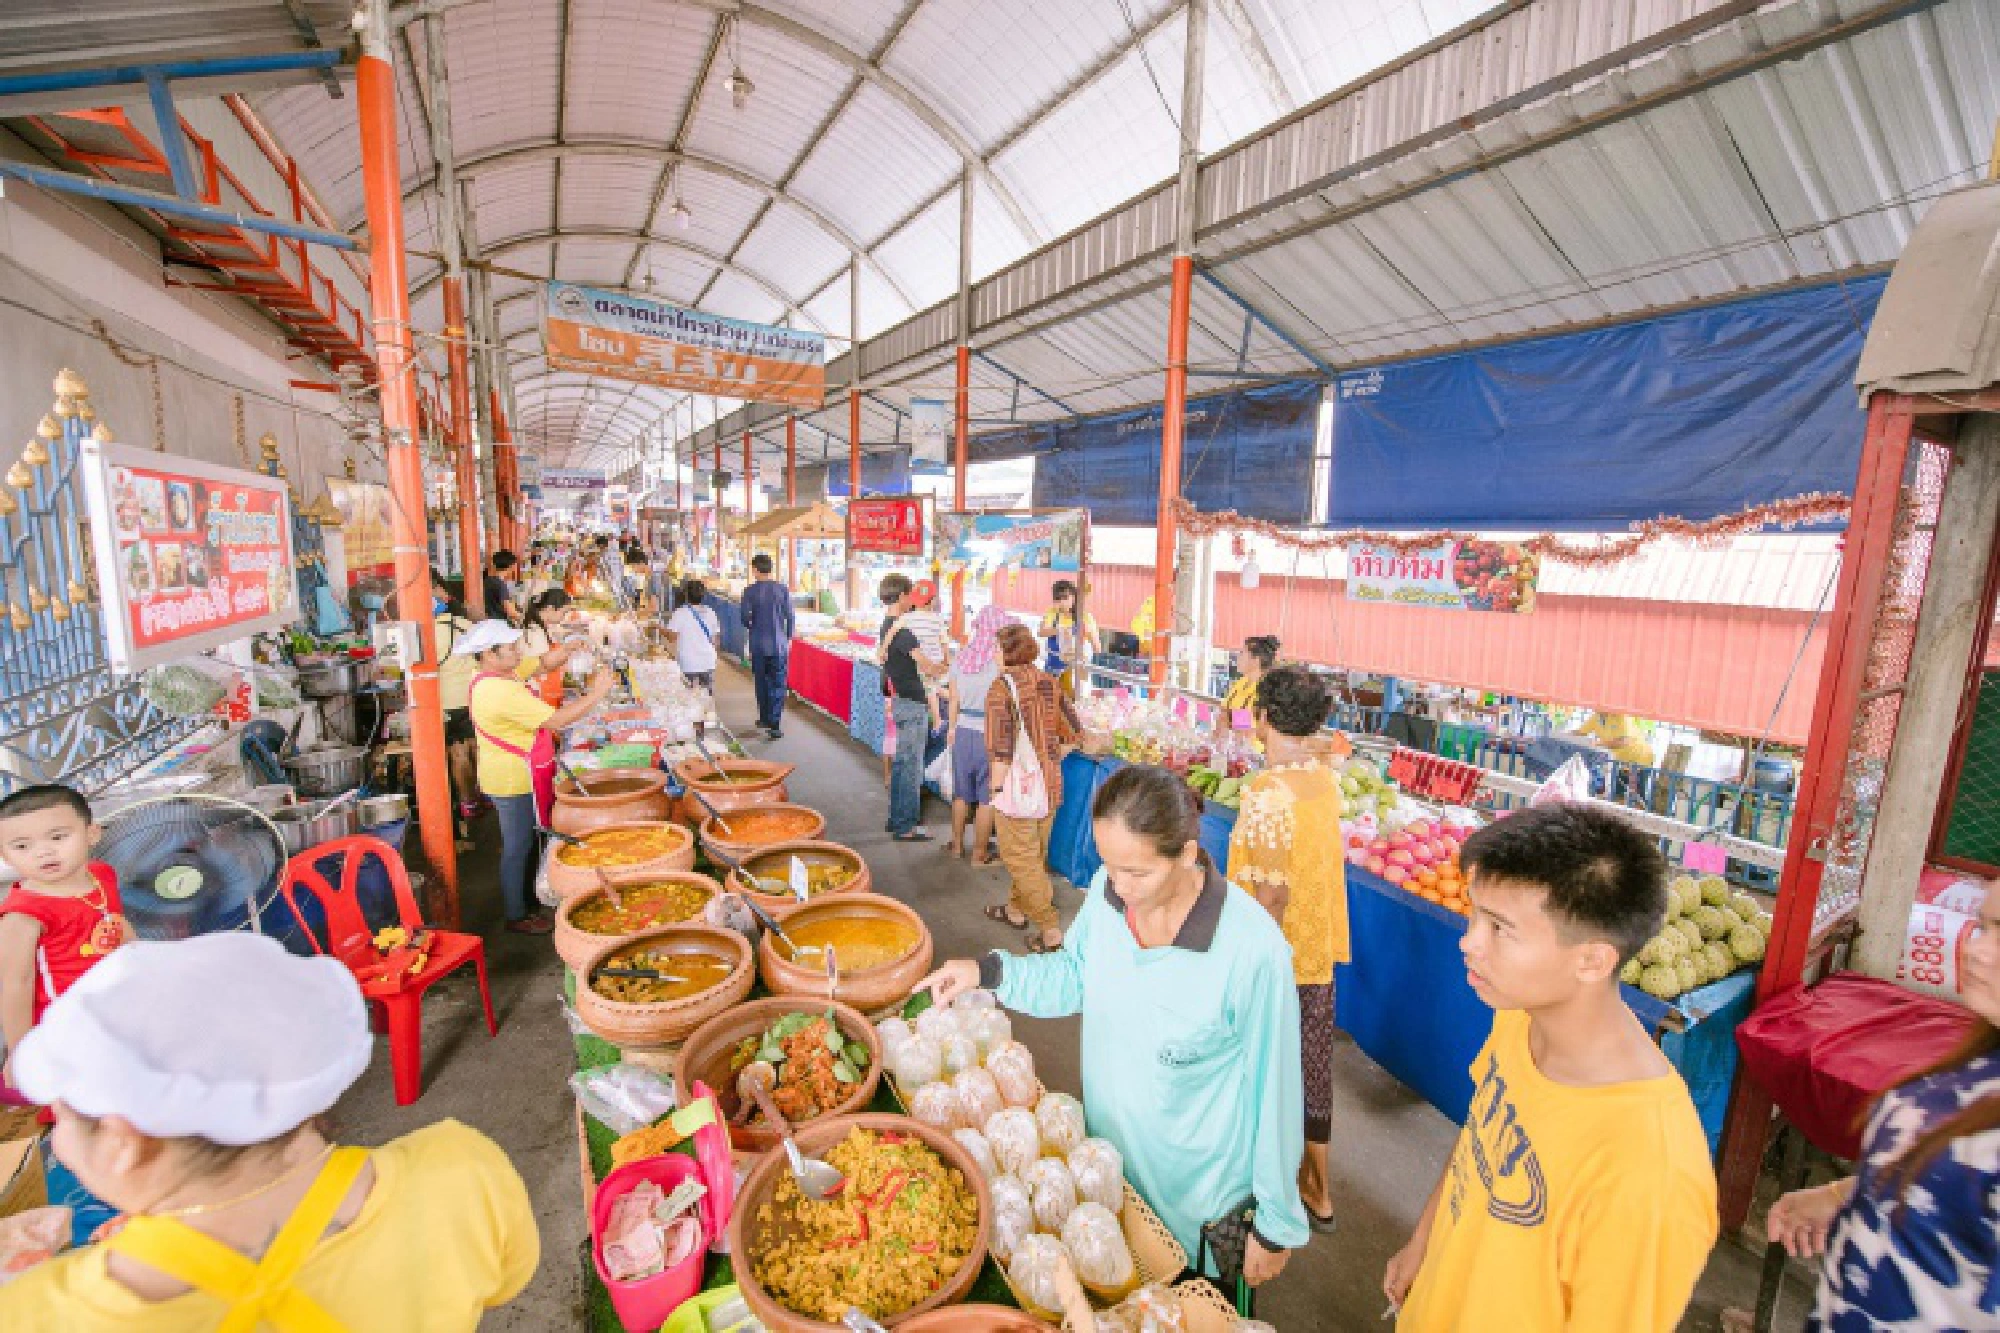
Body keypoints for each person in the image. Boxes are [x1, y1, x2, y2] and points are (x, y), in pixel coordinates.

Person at [0, 932, 539, 1329]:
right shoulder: (461, 1166)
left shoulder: (40, 1313)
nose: (59, 1144)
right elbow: (506, 1282)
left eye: (60, 1120)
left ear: (125, 1141)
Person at [920, 764, 1309, 1283]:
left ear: (1187, 856)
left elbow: (1277, 1090)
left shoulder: (1252, 951)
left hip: (1197, 1207)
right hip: (1108, 1172)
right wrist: (988, 972)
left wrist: (1276, 1222)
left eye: (1138, 873)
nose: (1119, 886)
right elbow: (1076, 974)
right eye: (1108, 864)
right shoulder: (1109, 893)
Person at [1383, 803, 1716, 1331]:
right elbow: (1479, 1138)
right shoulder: (1520, 1017)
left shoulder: (1649, 1174)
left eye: (1501, 929)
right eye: (1474, 915)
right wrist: (1424, 1240)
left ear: (1592, 960)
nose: (1468, 941)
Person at [1761, 877, 2000, 1330]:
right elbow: (1943, 1177)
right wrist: (1844, 1195)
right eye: (1984, 926)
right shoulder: (1983, 1059)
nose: (1978, 951)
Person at [1228, 665, 1346, 1230]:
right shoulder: (1323, 782)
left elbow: (1270, 896)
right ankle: (1318, 1188)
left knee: (1262, 1069)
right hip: (1316, 953)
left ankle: (1268, 1184)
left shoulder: (1266, 793)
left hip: (1276, 959)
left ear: (1263, 718)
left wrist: (1247, 967)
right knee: (1313, 1067)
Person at [459, 620, 616, 934]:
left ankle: (526, 900)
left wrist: (568, 649)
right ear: (489, 654)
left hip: (515, 771)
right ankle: (517, 914)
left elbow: (542, 662)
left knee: (527, 840)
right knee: (518, 846)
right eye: (511, 648)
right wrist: (597, 694)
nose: (518, 652)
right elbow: (557, 720)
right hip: (513, 778)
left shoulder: (498, 673)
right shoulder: (498, 690)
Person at [984, 623, 1080, 951]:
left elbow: (1000, 749)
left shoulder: (1001, 690)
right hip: (1049, 786)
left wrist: (995, 792)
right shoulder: (1048, 682)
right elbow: (1076, 729)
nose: (993, 654)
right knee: (1032, 855)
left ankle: (1050, 929)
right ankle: (1014, 910)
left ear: (1010, 653)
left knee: (1020, 856)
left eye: (997, 648)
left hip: (1017, 790)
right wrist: (1051, 757)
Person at [946, 605, 1011, 864]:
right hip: (989, 733)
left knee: (961, 793)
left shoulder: (960, 658)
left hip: (962, 730)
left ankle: (957, 845)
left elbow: (953, 700)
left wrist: (951, 728)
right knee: (987, 797)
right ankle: (979, 854)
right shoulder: (997, 665)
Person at [877, 574, 934, 841]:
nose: (913, 599)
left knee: (901, 764)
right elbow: (927, 665)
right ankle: (906, 825)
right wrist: (953, 669)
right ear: (901, 596)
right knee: (911, 767)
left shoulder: (888, 626)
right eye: (910, 594)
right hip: (912, 702)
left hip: (901, 700)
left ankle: (895, 818)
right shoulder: (902, 632)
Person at [431, 569, 486, 826]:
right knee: (478, 747)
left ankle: (467, 802)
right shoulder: (468, 626)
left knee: (458, 753)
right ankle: (484, 793)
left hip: (448, 701)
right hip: (474, 695)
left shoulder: (429, 634)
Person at [741, 552, 796, 739]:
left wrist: (753, 626)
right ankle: (775, 723)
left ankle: (764, 717)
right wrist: (788, 637)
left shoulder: (749, 591)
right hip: (779, 644)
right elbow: (791, 617)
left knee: (761, 681)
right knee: (778, 683)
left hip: (758, 643)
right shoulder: (782, 589)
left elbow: (744, 618)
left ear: (756, 570)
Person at [520, 588, 581, 707]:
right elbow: (545, 664)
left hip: (543, 691)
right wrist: (567, 648)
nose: (564, 616)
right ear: (550, 609)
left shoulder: (542, 627)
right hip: (537, 693)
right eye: (564, 612)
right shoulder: (534, 631)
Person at [1039, 578, 1099, 692]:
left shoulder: (1085, 617)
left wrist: (1088, 632)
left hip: (1077, 671)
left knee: (1073, 701)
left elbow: (1097, 648)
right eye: (1057, 599)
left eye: (1065, 597)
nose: (1062, 602)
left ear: (1074, 597)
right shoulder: (1052, 613)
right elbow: (1041, 632)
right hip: (1052, 668)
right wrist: (1062, 630)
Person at [667, 579, 722, 690]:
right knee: (706, 697)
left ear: (686, 594)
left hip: (688, 663)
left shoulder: (680, 613)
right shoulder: (711, 612)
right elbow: (716, 640)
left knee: (690, 699)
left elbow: (671, 638)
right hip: (708, 661)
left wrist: (658, 627)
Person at [1222, 634, 1281, 718]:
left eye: (1242, 653)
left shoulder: (1266, 691)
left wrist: (1228, 722)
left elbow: (1246, 727)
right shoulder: (1241, 683)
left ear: (1256, 660)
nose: (1238, 657)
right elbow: (1224, 712)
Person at [483, 550, 522, 626]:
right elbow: (510, 611)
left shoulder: (487, 580)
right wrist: (523, 618)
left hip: (489, 621)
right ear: (511, 566)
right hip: (500, 623)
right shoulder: (500, 585)